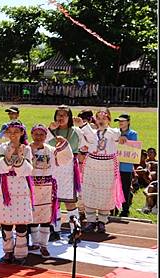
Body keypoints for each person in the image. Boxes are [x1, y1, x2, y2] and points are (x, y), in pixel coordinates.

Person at [74, 109, 126, 234]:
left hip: (107, 166)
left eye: (104, 118)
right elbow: (85, 138)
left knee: (106, 193)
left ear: (109, 120)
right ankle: (91, 221)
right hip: (92, 165)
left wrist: (123, 137)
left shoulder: (114, 133)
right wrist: (81, 124)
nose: (101, 121)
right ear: (95, 120)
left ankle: (102, 221)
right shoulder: (91, 132)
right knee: (89, 191)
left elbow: (121, 135)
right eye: (99, 118)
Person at [29, 124, 73, 257]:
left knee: (45, 217)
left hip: (47, 187)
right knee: (33, 217)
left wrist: (64, 143)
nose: (39, 137)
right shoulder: (26, 149)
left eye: (42, 134)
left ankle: (44, 245)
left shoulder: (50, 150)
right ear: (32, 135)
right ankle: (35, 242)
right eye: (36, 134)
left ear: (46, 136)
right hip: (32, 187)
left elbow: (66, 156)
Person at [0, 121, 34, 265]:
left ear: (22, 132)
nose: (13, 135)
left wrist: (18, 160)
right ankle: (8, 251)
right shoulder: (1, 147)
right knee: (6, 223)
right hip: (5, 188)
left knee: (22, 224)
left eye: (16, 131)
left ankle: (20, 254)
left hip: (21, 188)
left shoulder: (27, 149)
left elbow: (28, 170)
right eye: (10, 132)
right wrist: (8, 156)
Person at [46, 105, 85, 242]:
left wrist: (84, 125)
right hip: (53, 167)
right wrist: (50, 129)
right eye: (58, 114)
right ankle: (54, 230)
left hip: (68, 169)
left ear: (69, 117)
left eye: (64, 115)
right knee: (53, 201)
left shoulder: (76, 131)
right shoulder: (50, 130)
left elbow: (89, 142)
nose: (60, 117)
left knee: (69, 201)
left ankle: (75, 231)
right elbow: (42, 143)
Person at [114, 113, 138, 217]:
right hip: (114, 165)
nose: (120, 123)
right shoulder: (115, 132)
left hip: (126, 167)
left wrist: (123, 137)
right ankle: (113, 208)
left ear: (128, 122)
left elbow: (133, 147)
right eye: (119, 121)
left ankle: (125, 209)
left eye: (122, 121)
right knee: (114, 188)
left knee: (125, 188)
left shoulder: (133, 133)